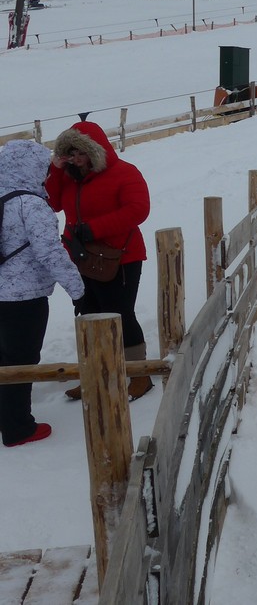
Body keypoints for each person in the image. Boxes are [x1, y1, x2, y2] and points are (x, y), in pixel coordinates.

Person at [46, 121, 153, 401]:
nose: (76, 160)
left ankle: (139, 374)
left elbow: (138, 210)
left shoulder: (124, 173)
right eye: (70, 154)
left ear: (95, 151)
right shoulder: (69, 176)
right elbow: (52, 202)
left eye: (80, 153)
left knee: (119, 313)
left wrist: (95, 228)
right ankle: (97, 373)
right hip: (81, 257)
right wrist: (56, 170)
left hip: (121, 257)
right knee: (89, 313)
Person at [0, 140, 85, 447]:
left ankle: (4, 417)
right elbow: (51, 253)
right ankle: (18, 427)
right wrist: (78, 290)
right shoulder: (31, 205)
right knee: (21, 360)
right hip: (25, 298)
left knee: (3, 357)